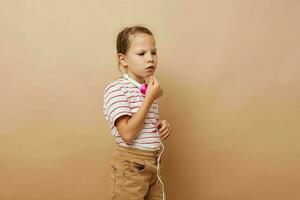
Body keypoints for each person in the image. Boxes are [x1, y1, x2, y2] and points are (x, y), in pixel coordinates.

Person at [103, 25, 171, 199]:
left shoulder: (147, 89)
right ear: (123, 59)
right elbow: (127, 134)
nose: (150, 59)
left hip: (153, 163)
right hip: (131, 165)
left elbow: (142, 121)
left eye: (153, 53)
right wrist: (149, 99)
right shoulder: (116, 90)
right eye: (142, 54)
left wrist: (159, 125)